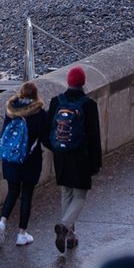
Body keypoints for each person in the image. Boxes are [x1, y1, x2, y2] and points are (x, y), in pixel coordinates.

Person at [48, 65, 102, 253]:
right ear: (83, 83)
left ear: (69, 82)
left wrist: (55, 150)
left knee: (66, 193)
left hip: (61, 156)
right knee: (79, 196)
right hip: (80, 156)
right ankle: (64, 226)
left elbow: (49, 131)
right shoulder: (88, 104)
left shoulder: (57, 101)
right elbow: (94, 137)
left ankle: (70, 236)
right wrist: (95, 164)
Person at [0, 81, 50, 247]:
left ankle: (2, 223)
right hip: (29, 160)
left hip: (10, 160)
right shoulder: (39, 114)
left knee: (12, 191)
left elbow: (4, 134)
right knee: (26, 195)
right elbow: (45, 138)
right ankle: (21, 234)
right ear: (35, 95)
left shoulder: (11, 111)